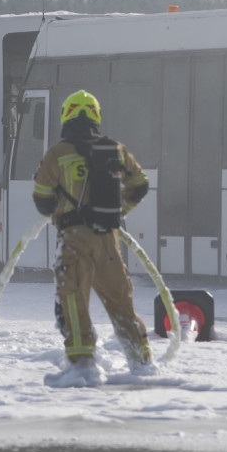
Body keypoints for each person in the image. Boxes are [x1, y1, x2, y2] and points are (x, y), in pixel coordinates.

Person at [32, 89, 152, 384]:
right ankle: (142, 364)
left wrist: (62, 205)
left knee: (73, 300)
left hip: (75, 240)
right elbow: (140, 184)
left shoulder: (56, 154)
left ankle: (82, 368)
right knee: (121, 302)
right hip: (109, 239)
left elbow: (42, 200)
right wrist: (118, 210)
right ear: (96, 116)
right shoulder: (116, 149)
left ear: (66, 116)